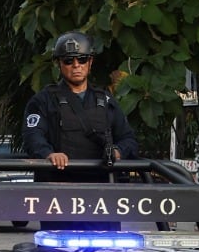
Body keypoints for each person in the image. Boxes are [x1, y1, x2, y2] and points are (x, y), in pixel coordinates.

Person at [21, 31, 139, 176]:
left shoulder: (105, 100)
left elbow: (128, 139)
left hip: (101, 190)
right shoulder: (43, 100)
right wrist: (49, 154)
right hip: (58, 189)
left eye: (82, 59)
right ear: (59, 64)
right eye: (68, 61)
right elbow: (32, 136)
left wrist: (118, 151)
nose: (76, 65)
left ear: (90, 62)